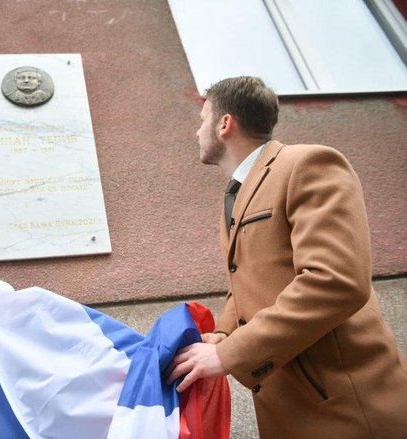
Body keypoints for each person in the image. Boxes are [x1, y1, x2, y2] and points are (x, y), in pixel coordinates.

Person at [167, 76, 407, 438]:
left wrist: (228, 356)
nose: (196, 133)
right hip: (288, 413)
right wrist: (222, 334)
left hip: (344, 410)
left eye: (202, 121)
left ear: (224, 124)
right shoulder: (235, 195)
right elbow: (245, 282)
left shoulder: (308, 164)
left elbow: (335, 281)